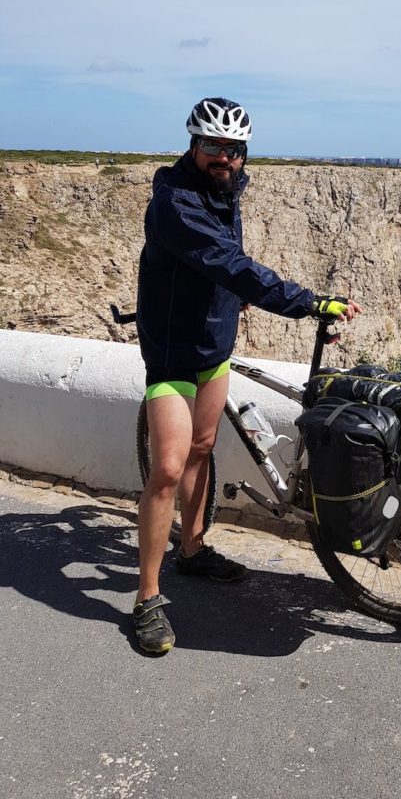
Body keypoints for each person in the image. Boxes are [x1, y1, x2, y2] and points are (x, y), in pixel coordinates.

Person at [133, 97, 361, 654]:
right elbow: (228, 262)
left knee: (203, 448)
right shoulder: (174, 203)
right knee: (166, 468)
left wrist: (238, 301)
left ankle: (192, 550)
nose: (225, 158)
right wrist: (307, 302)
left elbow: (226, 262)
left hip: (213, 345)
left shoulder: (228, 191)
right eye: (213, 145)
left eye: (234, 149)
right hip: (171, 353)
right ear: (193, 143)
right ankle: (146, 600)